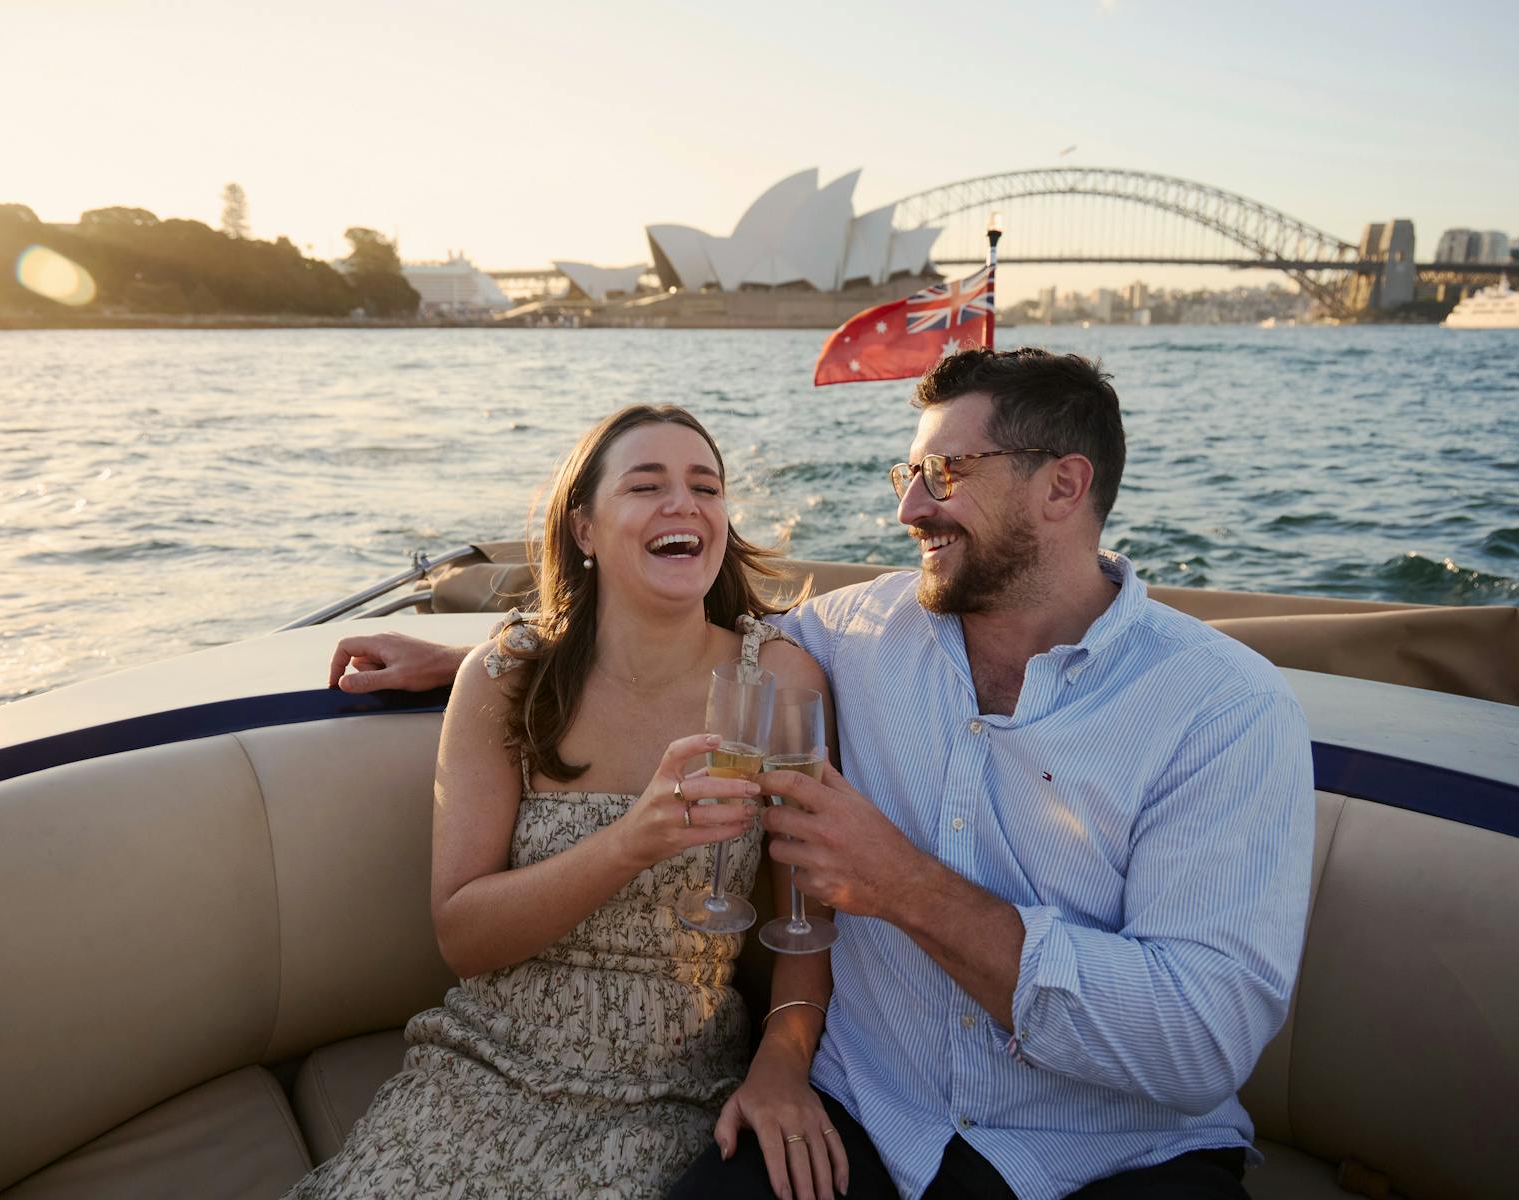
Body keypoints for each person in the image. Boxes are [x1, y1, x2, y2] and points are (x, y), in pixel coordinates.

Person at [331, 349, 1315, 1200]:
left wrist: (904, 889)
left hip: (1115, 1158)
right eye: (908, 469)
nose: (905, 507)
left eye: (942, 472)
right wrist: (472, 664)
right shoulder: (857, 635)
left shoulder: (1223, 711)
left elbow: (1199, 1044)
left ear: (1062, 488)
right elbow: (661, 649)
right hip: (867, 1126)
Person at [295, 404, 847, 1200]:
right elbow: (464, 936)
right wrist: (631, 842)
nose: (684, 504)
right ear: (584, 527)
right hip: (488, 1069)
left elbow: (806, 929)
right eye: (646, 485)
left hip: (674, 1084)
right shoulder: (504, 679)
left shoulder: (781, 683)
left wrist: (783, 1065)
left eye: (706, 486)